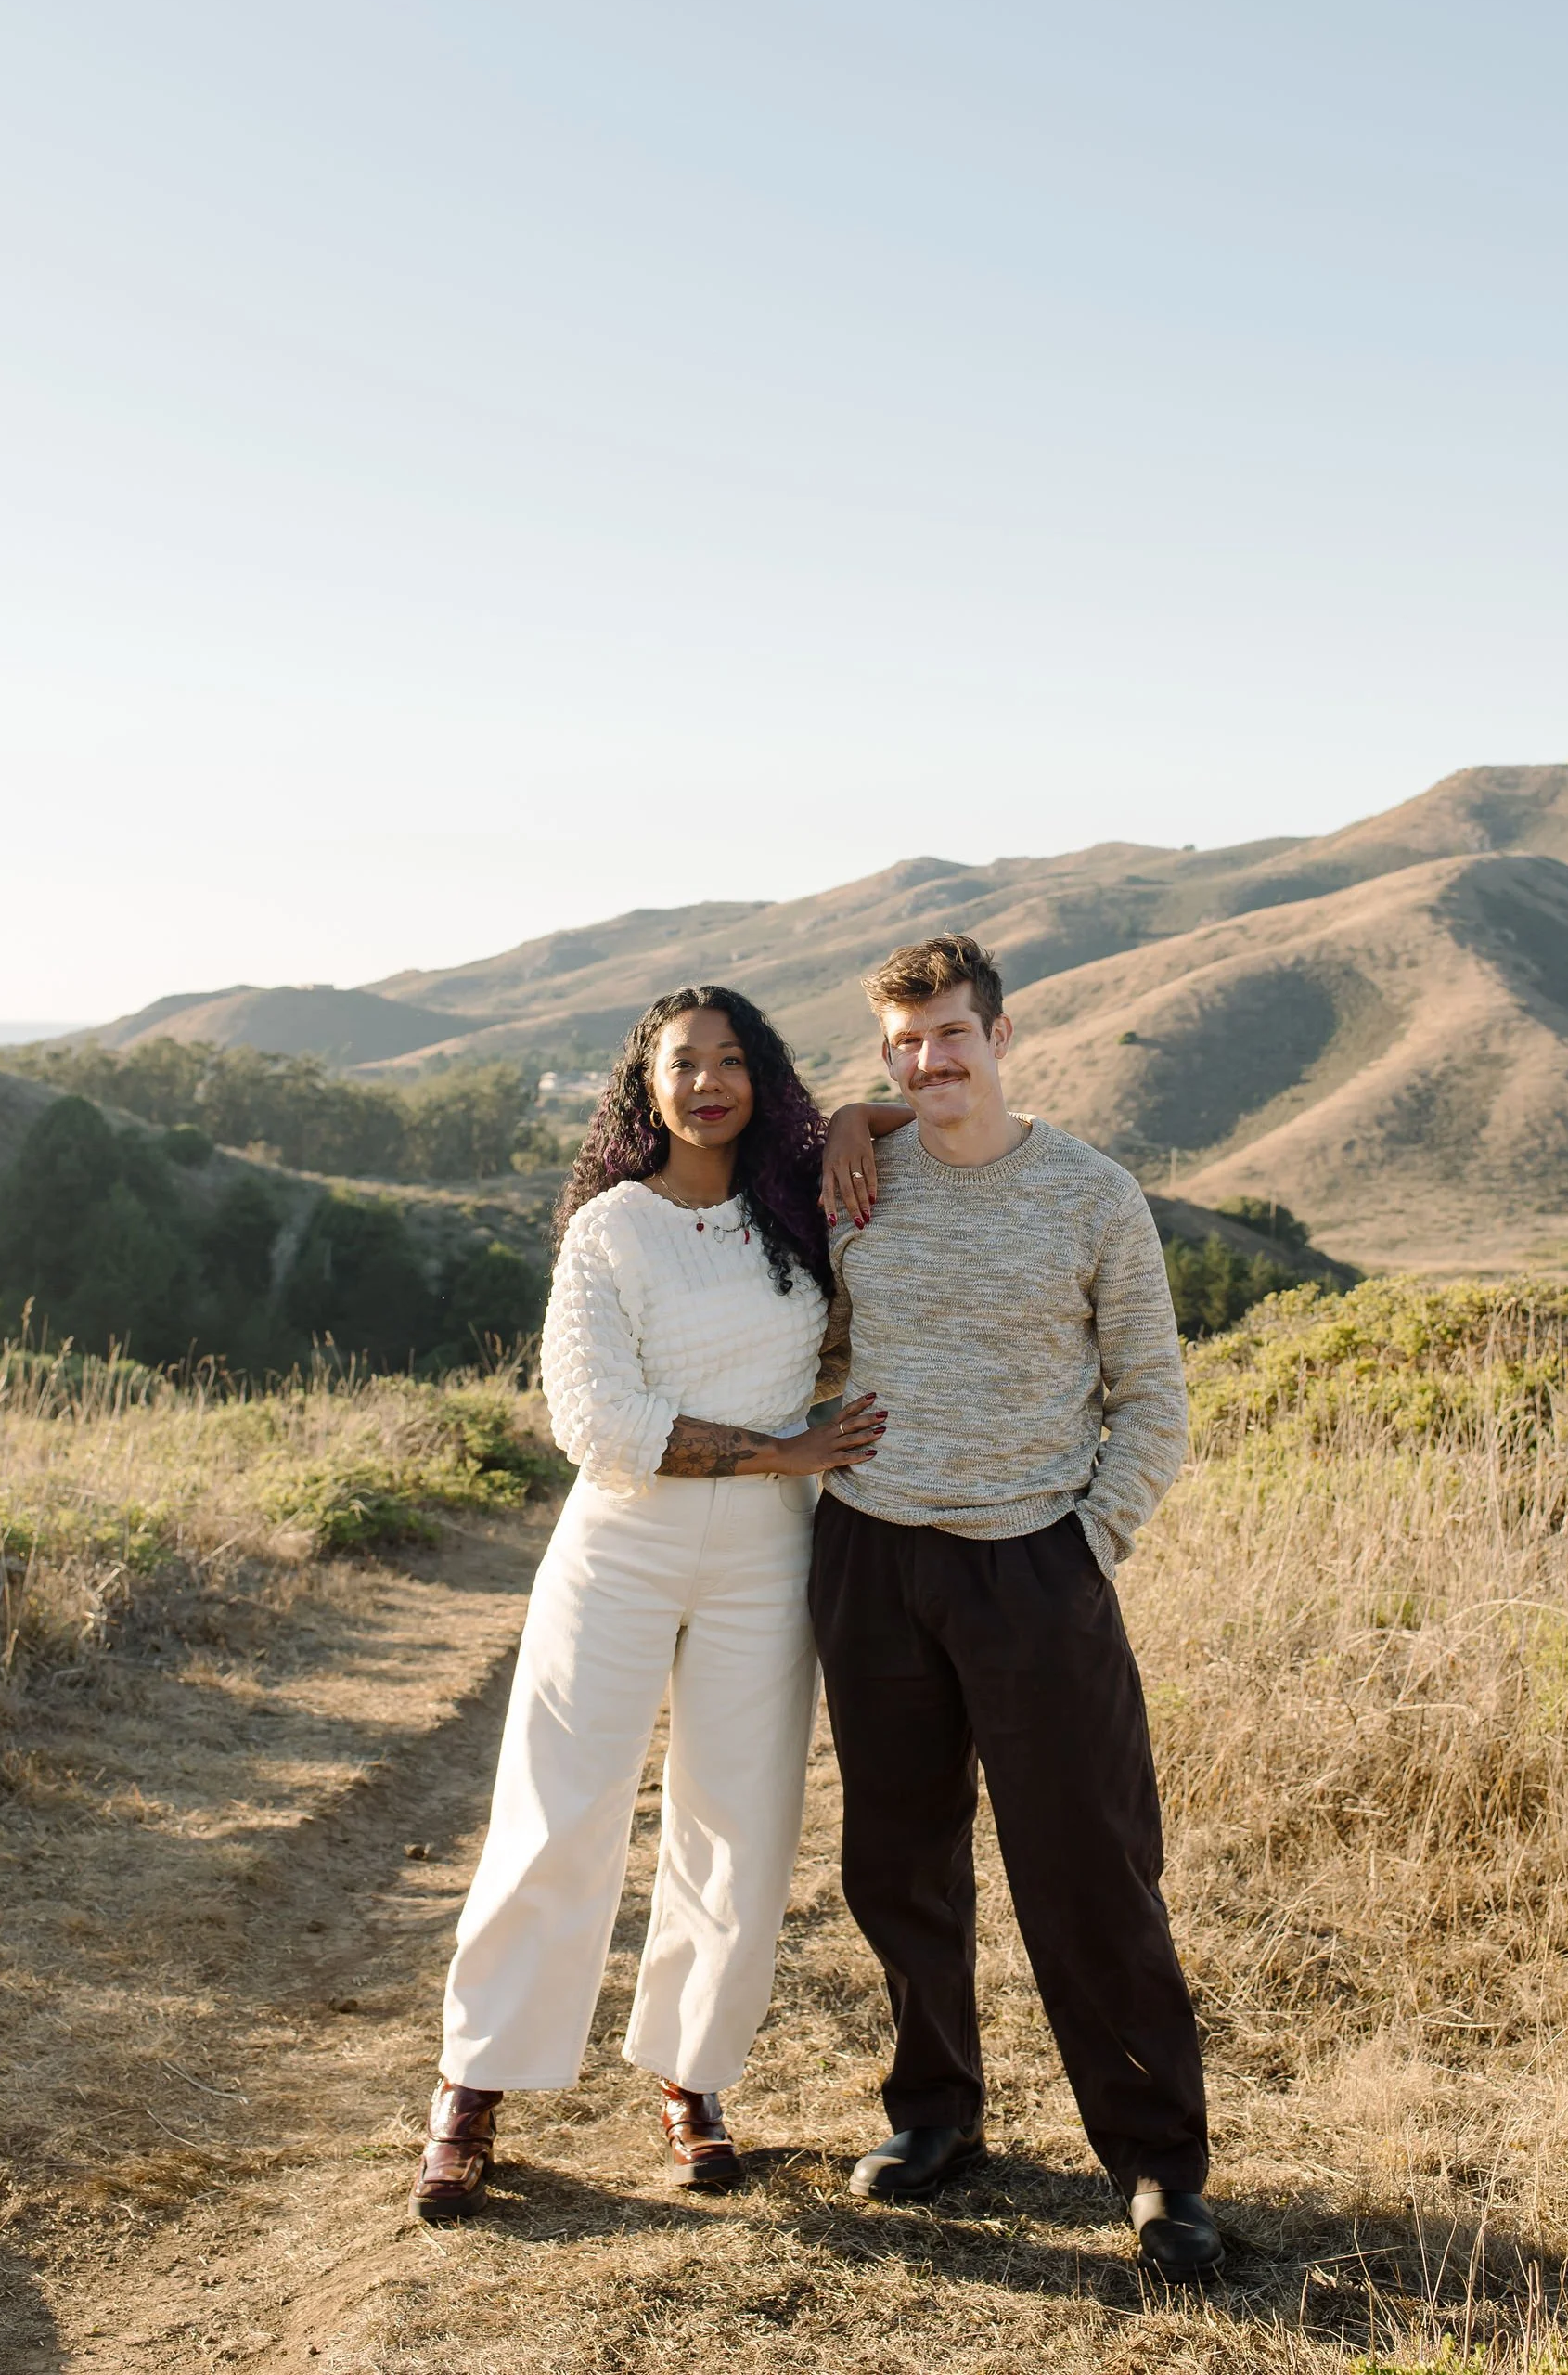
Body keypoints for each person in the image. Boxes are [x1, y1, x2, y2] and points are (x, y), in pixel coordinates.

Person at [409, 987, 887, 2221]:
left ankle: (693, 2073)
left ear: (761, 1077)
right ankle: (472, 2087)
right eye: (687, 1062)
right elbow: (599, 1423)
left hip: (766, 1560)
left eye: (735, 1061)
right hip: (622, 1542)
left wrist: (845, 1119)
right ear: (647, 1084)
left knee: (739, 1822)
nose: (710, 1080)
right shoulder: (607, 1229)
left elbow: (935, 1115)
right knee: (560, 1810)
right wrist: (786, 1451)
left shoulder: (795, 1202)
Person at [809, 931, 1223, 2286]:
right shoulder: (859, 1184)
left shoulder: (1091, 1195)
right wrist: (842, 1128)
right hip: (876, 1556)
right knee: (899, 1859)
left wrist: (1082, 1541)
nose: (931, 1062)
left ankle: (1160, 2167)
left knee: (1091, 1867)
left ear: (1000, 1036)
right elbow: (802, 1317)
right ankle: (935, 2118)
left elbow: (1151, 1394)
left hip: (1037, 1564)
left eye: (952, 1037)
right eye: (905, 1045)